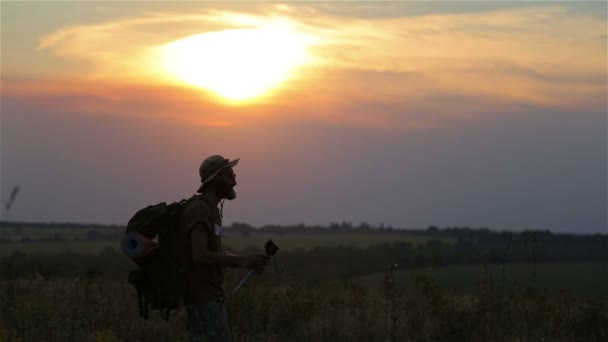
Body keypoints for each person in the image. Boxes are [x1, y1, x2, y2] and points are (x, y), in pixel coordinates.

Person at [180, 155, 269, 342]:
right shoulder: (198, 209)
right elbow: (200, 254)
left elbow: (214, 253)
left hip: (212, 299)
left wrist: (246, 261)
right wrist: (242, 260)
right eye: (231, 175)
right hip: (202, 301)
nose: (235, 181)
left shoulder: (212, 210)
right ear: (217, 178)